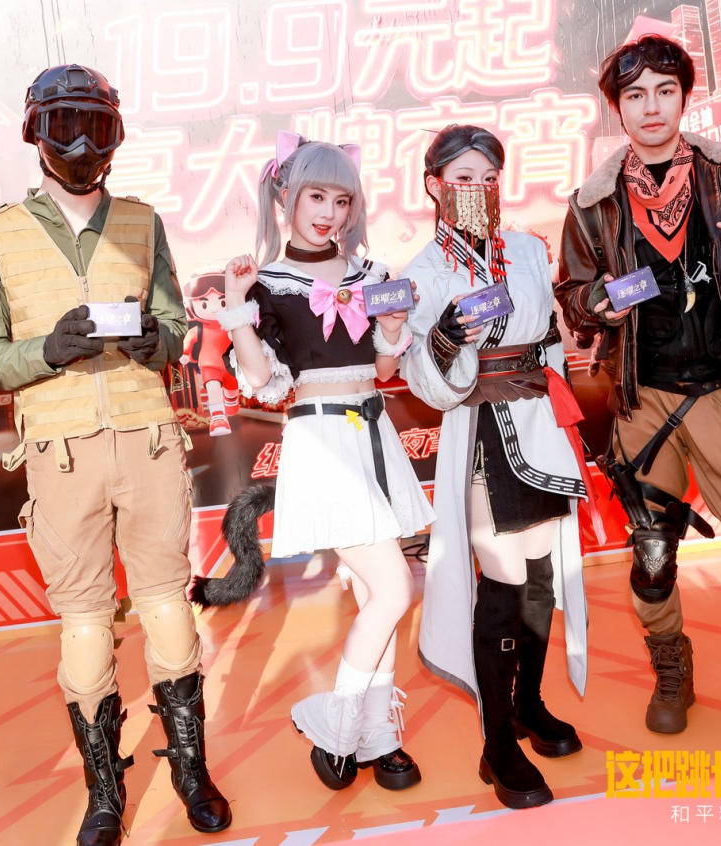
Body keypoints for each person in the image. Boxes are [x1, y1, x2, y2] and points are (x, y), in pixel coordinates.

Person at [0, 64, 230, 843]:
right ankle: (104, 792)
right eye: (64, 125)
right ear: (35, 133)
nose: (80, 144)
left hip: (148, 440)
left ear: (114, 134)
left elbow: (177, 325)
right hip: (61, 453)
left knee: (168, 608)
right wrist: (47, 350)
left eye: (95, 126)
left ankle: (189, 770)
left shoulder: (142, 223)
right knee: (83, 625)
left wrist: (158, 342)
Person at [555, 35, 721, 740]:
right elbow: (572, 295)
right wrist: (595, 303)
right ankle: (671, 669)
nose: (651, 107)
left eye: (664, 91)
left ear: (684, 97)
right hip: (641, 397)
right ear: (617, 108)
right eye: (635, 94)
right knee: (651, 554)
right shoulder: (592, 201)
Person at [191, 132, 434, 793]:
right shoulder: (269, 284)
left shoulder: (371, 275)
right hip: (322, 442)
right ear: (286, 200)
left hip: (373, 432)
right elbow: (262, 381)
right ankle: (337, 724)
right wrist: (239, 310)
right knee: (394, 588)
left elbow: (385, 370)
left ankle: (378, 736)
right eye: (316, 197)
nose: (329, 213)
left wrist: (392, 331)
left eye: (341, 200)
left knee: (377, 593)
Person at [401, 125, 592, 810]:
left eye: (487, 178)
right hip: (483, 429)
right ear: (433, 186)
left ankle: (528, 704)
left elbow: (551, 340)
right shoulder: (422, 272)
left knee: (539, 575)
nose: (477, 190)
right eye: (462, 178)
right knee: (504, 581)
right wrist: (444, 338)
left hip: (539, 423)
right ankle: (497, 740)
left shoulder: (528, 250)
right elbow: (422, 378)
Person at [182, 269, 241, 435]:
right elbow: (189, 339)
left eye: (222, 302)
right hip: (209, 366)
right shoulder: (199, 329)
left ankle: (231, 399)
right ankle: (218, 418)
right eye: (205, 304)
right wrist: (185, 353)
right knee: (213, 389)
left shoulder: (232, 325)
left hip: (232, 365)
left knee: (232, 389)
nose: (215, 309)